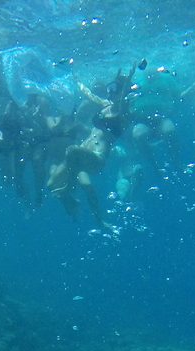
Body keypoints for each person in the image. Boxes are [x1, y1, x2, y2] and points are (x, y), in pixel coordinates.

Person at [46, 63, 138, 232]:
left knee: (72, 150)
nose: (110, 92)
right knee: (51, 185)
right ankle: (70, 199)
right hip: (79, 156)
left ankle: (73, 192)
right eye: (110, 88)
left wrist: (127, 80)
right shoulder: (104, 105)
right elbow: (88, 93)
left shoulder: (124, 114)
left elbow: (123, 100)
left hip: (96, 158)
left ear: (123, 92)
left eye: (114, 88)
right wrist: (77, 80)